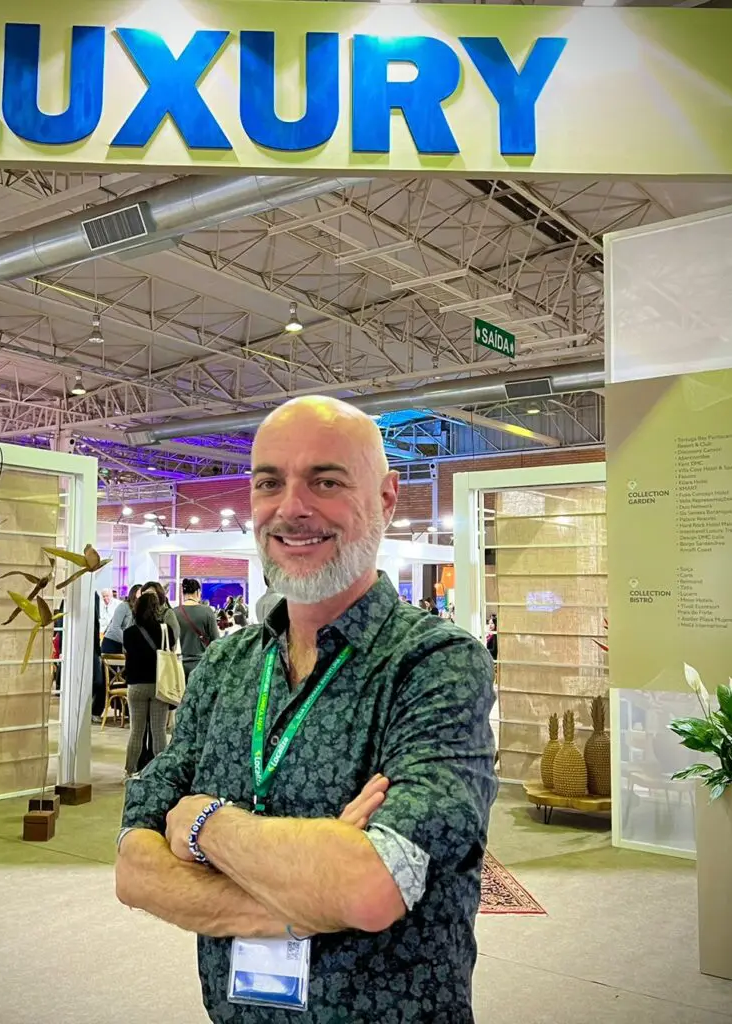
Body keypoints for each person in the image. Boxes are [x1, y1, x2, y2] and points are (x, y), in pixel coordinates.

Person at [116, 395, 498, 1022]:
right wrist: (308, 896)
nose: (291, 507)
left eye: (326, 481)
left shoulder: (436, 664)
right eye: (270, 482)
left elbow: (369, 888)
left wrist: (203, 824)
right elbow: (134, 868)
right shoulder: (227, 665)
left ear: (386, 498)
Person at [121, 587, 176, 781]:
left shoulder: (129, 633)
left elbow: (127, 654)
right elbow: (171, 650)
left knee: (136, 731)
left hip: (136, 685)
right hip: (159, 685)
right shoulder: (166, 630)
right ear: (157, 609)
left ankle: (129, 771)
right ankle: (161, 773)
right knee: (158, 731)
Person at [176, 577, 221, 677]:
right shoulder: (207, 611)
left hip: (179, 665)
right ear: (197, 592)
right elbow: (216, 641)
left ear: (183, 593)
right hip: (201, 664)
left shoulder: (174, 612)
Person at [103, 584, 141, 657]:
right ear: (134, 593)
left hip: (125, 645)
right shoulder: (124, 606)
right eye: (140, 593)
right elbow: (115, 627)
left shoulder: (139, 610)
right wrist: (127, 642)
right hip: (112, 642)